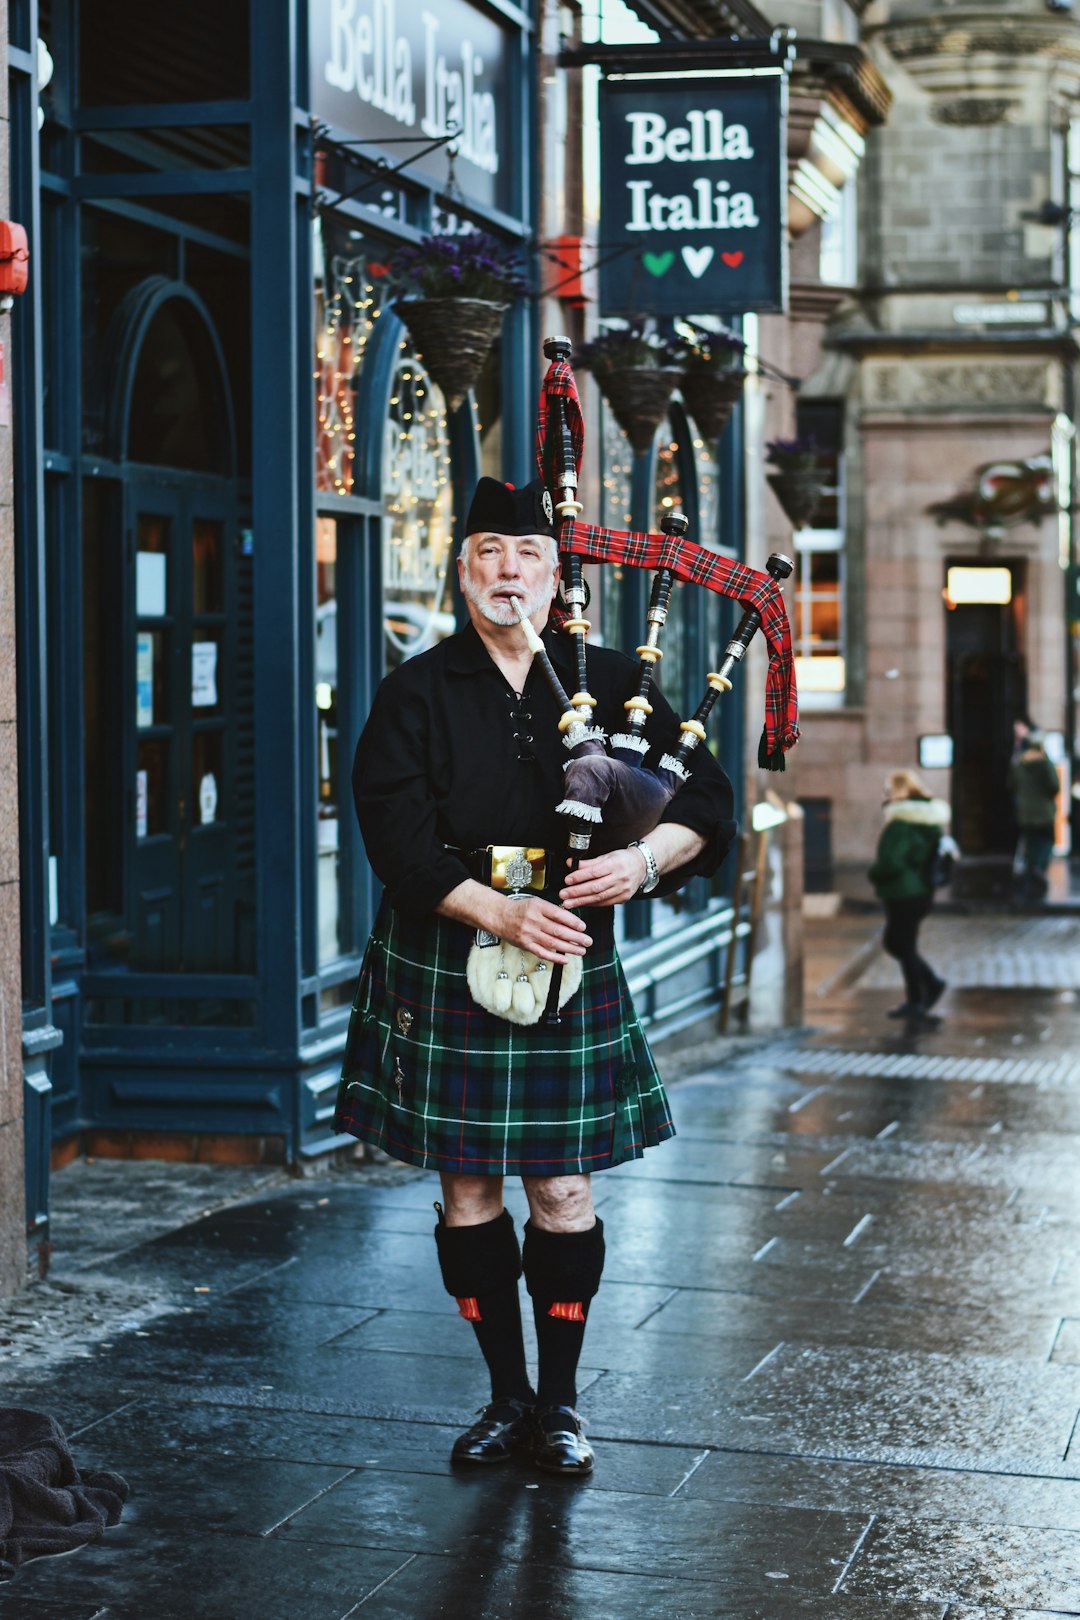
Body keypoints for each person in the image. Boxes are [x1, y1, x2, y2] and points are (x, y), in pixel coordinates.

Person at [335, 477, 735, 1477]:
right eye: (487, 555)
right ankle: (504, 1396)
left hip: (572, 950)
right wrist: (498, 909)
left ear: (558, 578)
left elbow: (711, 802)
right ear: (462, 570)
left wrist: (643, 863)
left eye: (526, 556)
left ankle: (560, 1406)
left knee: (561, 1189)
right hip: (454, 940)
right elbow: (397, 839)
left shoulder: (611, 680)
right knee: (467, 1184)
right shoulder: (417, 691)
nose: (506, 573)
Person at [868, 769, 950, 1020]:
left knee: (897, 943)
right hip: (921, 891)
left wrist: (875, 873)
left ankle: (926, 990)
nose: (887, 797)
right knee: (904, 943)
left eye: (889, 791)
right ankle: (919, 995)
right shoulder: (928, 818)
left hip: (903, 892)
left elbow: (891, 861)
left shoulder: (901, 822)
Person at [1008, 728, 1060, 902]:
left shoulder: (1019, 763)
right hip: (1044, 812)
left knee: (1030, 844)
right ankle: (1039, 868)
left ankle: (1032, 871)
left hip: (1025, 812)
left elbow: (1011, 785)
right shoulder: (1045, 762)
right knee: (1047, 842)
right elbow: (1054, 785)